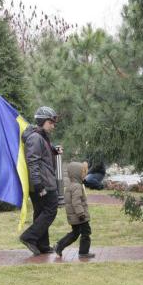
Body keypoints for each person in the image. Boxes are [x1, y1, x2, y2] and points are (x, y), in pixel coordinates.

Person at [19, 106, 62, 255]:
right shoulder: (35, 137)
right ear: (43, 121)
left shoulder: (41, 136)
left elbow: (44, 153)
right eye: (51, 122)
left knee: (40, 213)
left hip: (42, 182)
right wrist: (38, 185)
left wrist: (54, 150)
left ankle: (42, 245)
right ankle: (28, 237)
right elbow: (33, 161)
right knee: (51, 210)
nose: (53, 125)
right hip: (42, 184)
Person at [54, 161, 95, 258]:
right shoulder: (77, 186)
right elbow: (76, 202)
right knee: (86, 232)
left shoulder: (71, 185)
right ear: (77, 174)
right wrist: (81, 214)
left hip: (74, 216)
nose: (84, 175)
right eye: (83, 173)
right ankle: (83, 252)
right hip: (80, 216)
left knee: (75, 233)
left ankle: (59, 246)